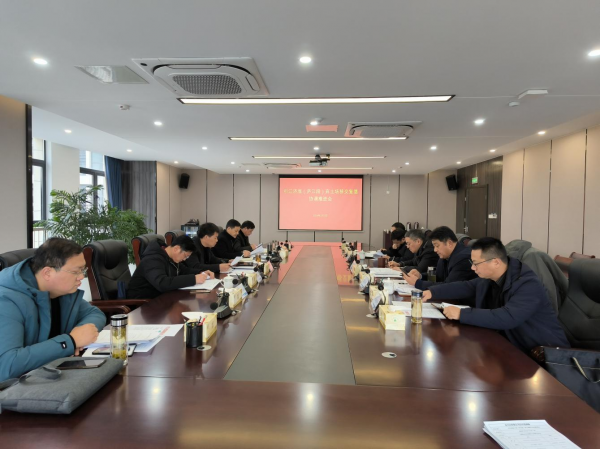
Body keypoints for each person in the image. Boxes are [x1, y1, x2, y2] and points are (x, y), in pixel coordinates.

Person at [422, 237, 570, 354]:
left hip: (543, 355)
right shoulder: (491, 277)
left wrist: (462, 313)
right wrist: (432, 291)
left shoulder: (528, 284)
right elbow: (467, 286)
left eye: (476, 263)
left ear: (496, 262)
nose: (472, 268)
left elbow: (507, 317)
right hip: (509, 345)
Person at [0, 238, 106, 382]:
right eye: (76, 271)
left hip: (52, 374)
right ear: (47, 273)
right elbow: (7, 365)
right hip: (16, 389)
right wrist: (70, 341)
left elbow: (94, 313)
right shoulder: (6, 300)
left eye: (83, 270)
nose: (81, 277)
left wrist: (80, 333)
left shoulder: (60, 291)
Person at [127, 235, 209, 299]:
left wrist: (201, 272)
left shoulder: (169, 256)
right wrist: (193, 279)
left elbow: (184, 270)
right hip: (143, 303)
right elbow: (162, 283)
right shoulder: (152, 259)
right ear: (176, 249)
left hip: (161, 297)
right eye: (185, 256)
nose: (184, 259)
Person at [403, 226, 475, 288]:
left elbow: (449, 286)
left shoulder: (463, 259)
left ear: (449, 243)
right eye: (434, 246)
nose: (435, 250)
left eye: (437, 246)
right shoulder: (444, 256)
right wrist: (420, 276)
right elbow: (437, 277)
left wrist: (418, 283)